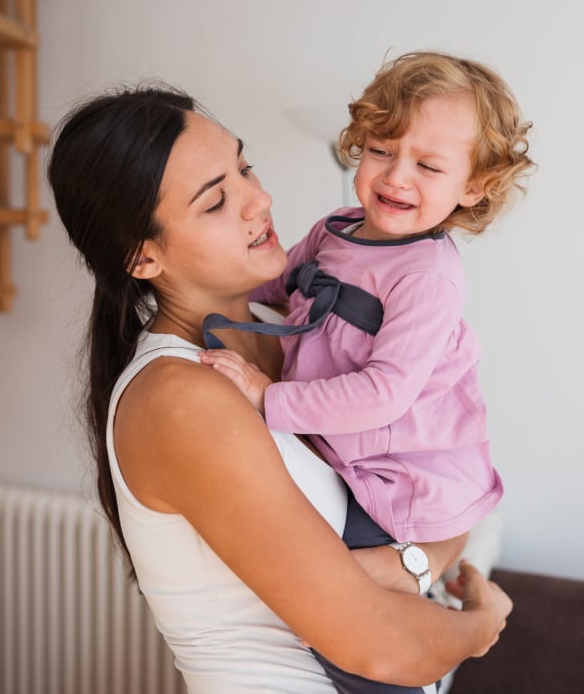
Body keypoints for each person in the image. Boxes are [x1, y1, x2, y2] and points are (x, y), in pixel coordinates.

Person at [46, 84, 512, 694]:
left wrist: (417, 560)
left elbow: (435, 463)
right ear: (142, 258)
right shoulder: (182, 398)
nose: (259, 199)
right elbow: (386, 648)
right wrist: (483, 622)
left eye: (244, 167)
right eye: (216, 202)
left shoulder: (297, 334)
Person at [200, 52, 534, 556]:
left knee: (337, 591)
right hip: (335, 445)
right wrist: (203, 288)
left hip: (399, 471)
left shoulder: (428, 278)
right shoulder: (336, 227)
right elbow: (274, 285)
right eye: (381, 151)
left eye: (427, 165)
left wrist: (269, 397)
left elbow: (383, 394)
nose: (397, 177)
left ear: (472, 187)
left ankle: (443, 605)